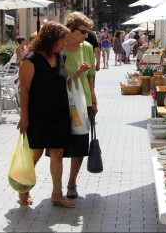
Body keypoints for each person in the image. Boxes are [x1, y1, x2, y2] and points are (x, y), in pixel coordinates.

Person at [16, 20, 76, 208]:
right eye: (62, 40)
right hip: (38, 115)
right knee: (36, 152)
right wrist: (24, 117)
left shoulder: (61, 58)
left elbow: (63, 82)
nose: (64, 44)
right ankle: (23, 188)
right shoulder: (30, 60)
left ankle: (57, 194)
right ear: (51, 39)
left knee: (57, 152)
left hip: (60, 113)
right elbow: (24, 90)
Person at [63, 12, 98, 199]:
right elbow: (60, 81)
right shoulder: (60, 49)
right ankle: (55, 186)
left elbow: (91, 76)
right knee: (59, 145)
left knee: (80, 144)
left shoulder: (87, 47)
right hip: (63, 103)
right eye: (83, 31)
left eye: (88, 32)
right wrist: (77, 73)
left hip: (84, 102)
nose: (86, 35)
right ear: (71, 29)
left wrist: (93, 97)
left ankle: (71, 183)